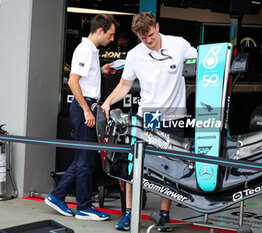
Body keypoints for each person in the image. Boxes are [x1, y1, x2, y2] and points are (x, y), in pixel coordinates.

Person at [101, 12, 197, 231]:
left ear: (157, 27)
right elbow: (125, 85)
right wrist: (107, 102)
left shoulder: (178, 44)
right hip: (149, 114)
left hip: (174, 115)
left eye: (151, 35)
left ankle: (164, 215)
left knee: (170, 166)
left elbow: (203, 62)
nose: (148, 41)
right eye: (143, 38)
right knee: (134, 164)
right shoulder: (135, 54)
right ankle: (128, 212)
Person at [45, 14, 116, 221]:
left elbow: (84, 80)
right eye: (110, 35)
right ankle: (83, 207)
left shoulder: (91, 51)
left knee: (84, 159)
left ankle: (58, 196)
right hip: (85, 106)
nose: (112, 39)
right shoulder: (85, 49)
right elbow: (73, 82)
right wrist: (86, 110)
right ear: (100, 30)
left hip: (88, 105)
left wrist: (101, 71)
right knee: (85, 161)